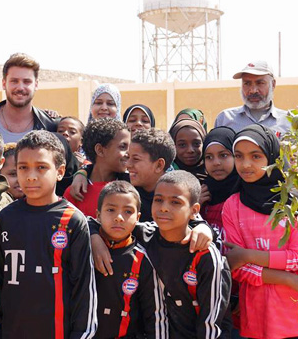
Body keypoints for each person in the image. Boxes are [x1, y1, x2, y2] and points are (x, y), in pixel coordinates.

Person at [91, 171, 231, 338]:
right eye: (158, 200)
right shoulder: (144, 233)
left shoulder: (205, 254)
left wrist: (203, 226)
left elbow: (211, 324)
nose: (164, 207)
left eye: (175, 202)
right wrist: (94, 237)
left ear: (194, 210)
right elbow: (90, 221)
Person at [222, 124, 298, 338]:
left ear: (272, 158)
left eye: (256, 156)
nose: (246, 164)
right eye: (239, 156)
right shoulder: (232, 206)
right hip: (259, 315)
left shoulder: (294, 202)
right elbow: (236, 268)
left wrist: (248, 255)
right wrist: (291, 279)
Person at [0, 130, 97, 338]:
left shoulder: (72, 220)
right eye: (23, 168)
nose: (31, 176)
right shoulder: (6, 217)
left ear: (60, 171)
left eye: (41, 167)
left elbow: (84, 289)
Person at [94, 181, 168, 338]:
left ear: (138, 218)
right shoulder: (83, 249)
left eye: (128, 212)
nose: (119, 217)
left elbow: (155, 314)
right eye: (111, 210)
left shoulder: (143, 260)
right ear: (98, 215)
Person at [0, 52, 59, 143]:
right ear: (4, 84)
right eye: (14, 81)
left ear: (36, 85)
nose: (20, 88)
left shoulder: (51, 126)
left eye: (27, 81)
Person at [63, 118, 130, 218]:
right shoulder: (75, 191)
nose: (129, 153)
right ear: (100, 150)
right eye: (123, 147)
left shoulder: (131, 186)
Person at [214, 61, 290, 138]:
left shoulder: (288, 122)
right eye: (247, 83)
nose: (253, 90)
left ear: (273, 84)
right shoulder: (224, 119)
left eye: (260, 83)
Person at [126, 128, 176, 222]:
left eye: (136, 159)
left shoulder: (178, 193)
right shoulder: (126, 190)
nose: (128, 164)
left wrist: (203, 227)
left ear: (159, 165)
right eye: (128, 157)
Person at [199, 127, 239, 237]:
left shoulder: (245, 193)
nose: (216, 162)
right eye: (209, 157)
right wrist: (195, 206)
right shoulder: (202, 193)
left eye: (223, 155)